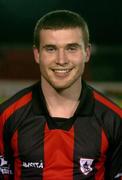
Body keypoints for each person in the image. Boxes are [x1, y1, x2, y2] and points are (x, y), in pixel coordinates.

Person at [0, 10, 122, 180]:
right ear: (37, 54)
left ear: (86, 53)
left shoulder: (114, 121)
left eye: (71, 48)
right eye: (51, 49)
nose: (61, 60)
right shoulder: (6, 117)